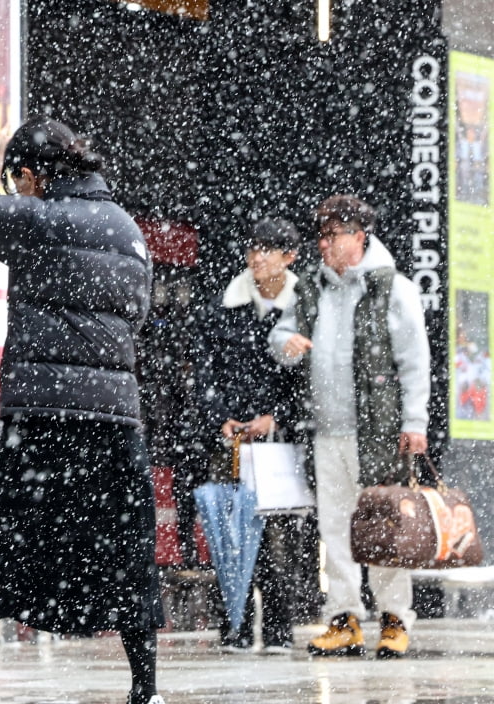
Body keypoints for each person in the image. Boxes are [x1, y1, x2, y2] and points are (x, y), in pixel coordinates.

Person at [0, 116, 164, 704]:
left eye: (20, 180)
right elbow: (136, 316)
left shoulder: (38, 221)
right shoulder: (127, 229)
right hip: (116, 423)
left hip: (42, 421)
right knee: (125, 557)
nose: (19, 191)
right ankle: (145, 690)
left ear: (32, 174)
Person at [269, 194, 430, 658]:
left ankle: (395, 620)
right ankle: (344, 620)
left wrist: (415, 420)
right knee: (335, 528)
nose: (324, 244)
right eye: (320, 235)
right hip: (327, 429)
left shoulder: (392, 288)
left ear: (359, 237)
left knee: (384, 528)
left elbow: (415, 361)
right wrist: (288, 343)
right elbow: (278, 336)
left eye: (333, 235)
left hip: (377, 430)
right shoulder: (310, 290)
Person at [191, 218, 305, 654]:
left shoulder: (304, 303)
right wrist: (219, 416)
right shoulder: (224, 301)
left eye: (269, 251)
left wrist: (277, 417)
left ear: (289, 257)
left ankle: (278, 628)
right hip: (231, 440)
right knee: (228, 532)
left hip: (280, 442)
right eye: (253, 250)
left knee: (279, 534)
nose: (257, 259)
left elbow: (312, 377)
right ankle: (233, 626)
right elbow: (203, 369)